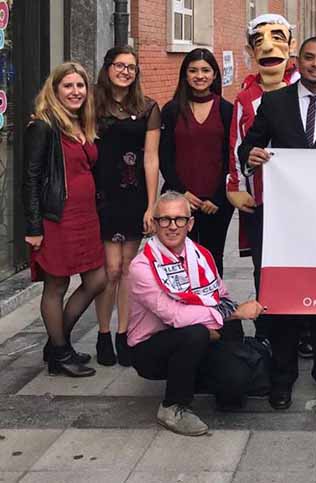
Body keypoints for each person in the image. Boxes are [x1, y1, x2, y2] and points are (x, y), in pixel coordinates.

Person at [238, 36, 316, 410]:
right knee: (282, 303)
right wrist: (252, 154)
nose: (315, 65)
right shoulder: (274, 103)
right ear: (299, 61)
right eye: (308, 58)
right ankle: (282, 377)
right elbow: (248, 146)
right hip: (283, 222)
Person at [126, 191, 265, 436]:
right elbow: (174, 317)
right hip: (150, 349)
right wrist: (231, 314)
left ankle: (211, 379)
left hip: (198, 335)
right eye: (165, 220)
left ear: (190, 224)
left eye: (179, 219)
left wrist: (227, 316)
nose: (172, 226)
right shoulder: (142, 266)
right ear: (154, 224)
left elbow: (220, 296)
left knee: (237, 380)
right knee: (198, 332)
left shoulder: (201, 254)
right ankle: (172, 406)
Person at [23, 62, 106, 377]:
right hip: (57, 218)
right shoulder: (43, 126)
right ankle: (60, 353)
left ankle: (57, 343)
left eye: (80, 86)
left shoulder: (80, 123)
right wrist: (33, 227)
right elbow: (30, 179)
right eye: (68, 86)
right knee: (56, 285)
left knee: (97, 280)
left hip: (85, 218)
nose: (75, 92)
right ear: (55, 90)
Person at [225, 14, 295, 343]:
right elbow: (237, 145)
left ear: (291, 45)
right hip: (260, 197)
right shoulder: (244, 99)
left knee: (300, 264)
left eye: (278, 38)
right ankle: (267, 328)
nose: (268, 46)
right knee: (263, 266)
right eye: (260, 41)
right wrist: (236, 187)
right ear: (251, 51)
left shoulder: (303, 91)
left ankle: (301, 328)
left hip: (300, 200)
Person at [92, 46, 161, 367]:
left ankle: (124, 333)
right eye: (119, 65)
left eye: (131, 67)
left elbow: (151, 158)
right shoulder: (93, 103)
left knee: (129, 269)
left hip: (133, 196)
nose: (125, 71)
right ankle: (103, 333)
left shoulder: (147, 108)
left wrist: (152, 204)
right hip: (101, 195)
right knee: (111, 270)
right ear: (107, 68)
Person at [160, 48, 235, 275]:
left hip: (217, 202)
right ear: (185, 75)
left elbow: (230, 157)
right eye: (193, 70)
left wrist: (218, 197)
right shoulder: (172, 110)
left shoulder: (226, 110)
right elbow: (165, 156)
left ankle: (212, 307)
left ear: (214, 75)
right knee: (179, 258)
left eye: (205, 70)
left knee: (212, 258)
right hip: (180, 200)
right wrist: (182, 192)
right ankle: (182, 308)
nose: (199, 76)